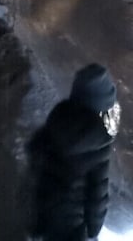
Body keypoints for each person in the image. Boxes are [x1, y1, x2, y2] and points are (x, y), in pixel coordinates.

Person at [27, 63, 119, 241]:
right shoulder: (98, 141)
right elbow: (97, 196)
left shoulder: (57, 122)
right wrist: (93, 230)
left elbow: (35, 160)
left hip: (44, 216)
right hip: (73, 227)